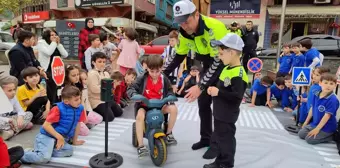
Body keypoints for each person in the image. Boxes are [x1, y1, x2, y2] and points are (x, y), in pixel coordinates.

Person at [164, 0, 229, 159]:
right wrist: (161, 73)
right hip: (207, 64)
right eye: (180, 22)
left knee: (220, 110)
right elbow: (178, 56)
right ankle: (206, 139)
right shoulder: (183, 32)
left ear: (197, 15)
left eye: (187, 21)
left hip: (225, 67)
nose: (184, 26)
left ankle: (217, 145)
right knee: (203, 105)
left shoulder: (215, 28)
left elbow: (219, 61)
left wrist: (200, 85)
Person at [203, 33, 248, 168]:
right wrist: (213, 90)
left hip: (228, 114)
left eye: (222, 54)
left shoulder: (239, 74)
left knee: (227, 140)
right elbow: (222, 88)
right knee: (220, 138)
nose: (219, 57)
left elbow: (237, 97)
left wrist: (219, 93)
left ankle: (226, 164)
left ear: (232, 52)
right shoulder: (227, 69)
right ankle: (220, 161)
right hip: (219, 112)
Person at [127, 55, 178, 158]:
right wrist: (133, 95)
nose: (155, 74)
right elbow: (131, 88)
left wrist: (170, 96)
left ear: (161, 68)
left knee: (173, 109)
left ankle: (168, 134)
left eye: (157, 71)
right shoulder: (142, 77)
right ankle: (141, 146)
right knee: (140, 116)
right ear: (147, 68)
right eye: (152, 71)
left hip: (160, 105)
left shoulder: (164, 78)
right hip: (145, 106)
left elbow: (169, 90)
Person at [20, 86, 86, 164]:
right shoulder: (57, 109)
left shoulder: (80, 108)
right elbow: (46, 125)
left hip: (60, 139)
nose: (79, 101)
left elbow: (77, 124)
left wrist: (75, 141)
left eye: (79, 98)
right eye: (76, 100)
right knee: (43, 158)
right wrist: (59, 137)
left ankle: (42, 151)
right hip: (47, 136)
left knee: (69, 150)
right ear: (66, 101)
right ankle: (22, 155)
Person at [298, 73, 339, 144]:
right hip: (315, 123)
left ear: (335, 85)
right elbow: (312, 108)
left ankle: (331, 136)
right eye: (325, 83)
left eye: (331, 84)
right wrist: (306, 122)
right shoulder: (316, 94)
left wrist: (317, 129)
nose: (328, 85)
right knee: (301, 134)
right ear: (320, 83)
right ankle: (316, 130)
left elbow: (327, 116)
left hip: (327, 127)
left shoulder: (333, 99)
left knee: (310, 139)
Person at [64, 66, 103, 135]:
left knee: (98, 119)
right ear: (68, 76)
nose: (76, 77)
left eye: (77, 75)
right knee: (86, 132)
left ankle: (83, 123)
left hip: (80, 111)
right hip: (71, 115)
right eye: (73, 75)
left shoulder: (79, 86)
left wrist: (84, 115)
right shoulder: (66, 89)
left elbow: (83, 103)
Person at [88, 52, 123, 122]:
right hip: (96, 101)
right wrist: (107, 87)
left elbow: (110, 86)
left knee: (119, 112)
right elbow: (94, 89)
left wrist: (109, 87)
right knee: (110, 118)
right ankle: (95, 113)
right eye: (99, 61)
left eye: (104, 62)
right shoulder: (92, 74)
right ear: (93, 62)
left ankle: (107, 108)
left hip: (106, 99)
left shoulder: (106, 73)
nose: (102, 64)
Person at [36, 29, 68, 104]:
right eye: (52, 35)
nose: (54, 37)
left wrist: (59, 44)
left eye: (55, 35)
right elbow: (48, 52)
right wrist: (54, 43)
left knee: (59, 88)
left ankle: (58, 103)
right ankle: (51, 104)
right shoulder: (42, 43)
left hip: (57, 70)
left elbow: (65, 55)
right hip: (48, 69)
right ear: (47, 36)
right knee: (51, 89)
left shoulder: (56, 44)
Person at [0, 75, 33, 140]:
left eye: (14, 89)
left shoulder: (13, 97)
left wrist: (20, 117)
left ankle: (10, 132)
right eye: (9, 90)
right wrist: (8, 120)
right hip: (4, 120)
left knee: (29, 114)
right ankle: (14, 130)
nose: (13, 92)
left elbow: (20, 110)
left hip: (12, 119)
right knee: (29, 125)